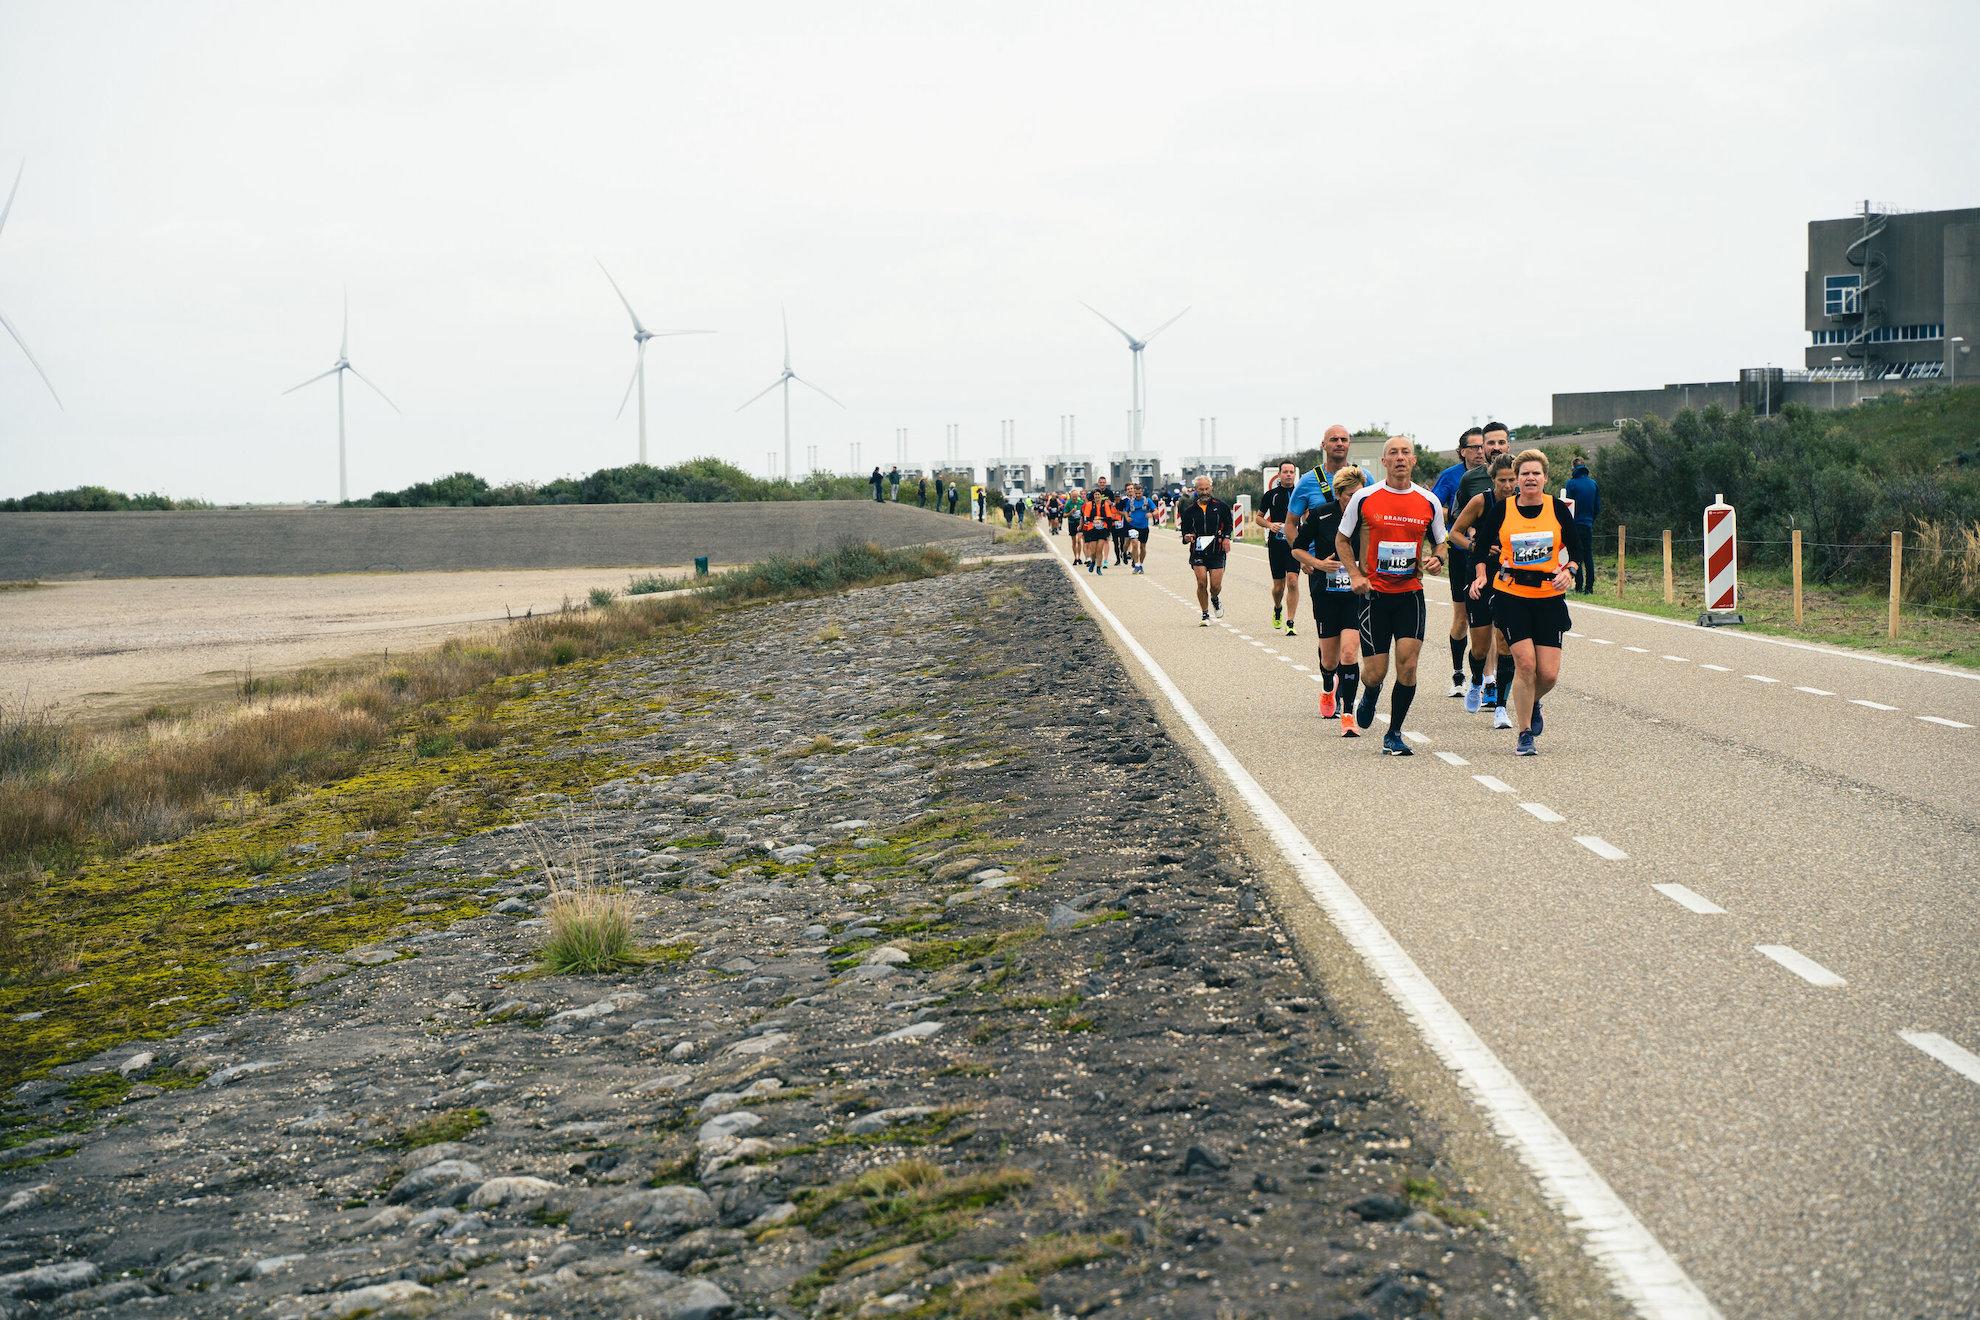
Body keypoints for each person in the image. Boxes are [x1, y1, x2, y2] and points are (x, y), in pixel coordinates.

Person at [1335, 436, 1448, 757]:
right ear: (1384, 462)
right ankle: (1370, 691)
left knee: (1409, 666)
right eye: (1393, 453)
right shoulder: (1365, 498)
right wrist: (1355, 575)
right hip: (1373, 596)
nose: (1400, 458)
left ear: (1414, 461)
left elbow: (1441, 542)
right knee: (1376, 671)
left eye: (1406, 453)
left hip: (1410, 594)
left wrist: (1438, 558)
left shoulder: (1428, 502)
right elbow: (1342, 540)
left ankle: (1394, 733)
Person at [1470, 450, 1577, 756]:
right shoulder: (1503, 511)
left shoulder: (1557, 509)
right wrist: (1480, 576)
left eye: (1536, 473)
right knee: (1526, 664)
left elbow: (1577, 551)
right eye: (1525, 474)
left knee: (1549, 675)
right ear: (1517, 479)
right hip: (1512, 595)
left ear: (1545, 478)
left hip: (1549, 598)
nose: (1530, 478)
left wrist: (1568, 572)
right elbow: (1480, 552)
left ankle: (1532, 700)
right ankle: (1525, 733)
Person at [1290, 463, 1367, 731]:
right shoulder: (1322, 515)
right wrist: (1319, 564)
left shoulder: (1368, 516)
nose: (1354, 500)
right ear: (1339, 495)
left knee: (1349, 653)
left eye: (1359, 494)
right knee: (1329, 660)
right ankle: (1327, 687)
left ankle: (1348, 715)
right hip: (1325, 591)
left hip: (1355, 594)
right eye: (1349, 496)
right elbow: (1297, 550)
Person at [1449, 455, 1521, 728]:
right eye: (1502, 480)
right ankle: (1477, 680)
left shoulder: (1523, 503)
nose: (1507, 485)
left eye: (1511, 479)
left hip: (1511, 579)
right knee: (1480, 646)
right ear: (1492, 480)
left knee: (1504, 642)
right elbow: (1454, 533)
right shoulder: (1481, 501)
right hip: (1480, 575)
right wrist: (1474, 546)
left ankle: (1501, 706)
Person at [1432, 428, 1484, 697]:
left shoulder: (1494, 474)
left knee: (1489, 620)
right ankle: (1457, 673)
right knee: (1461, 616)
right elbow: (1434, 505)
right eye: (1473, 447)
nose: (1479, 451)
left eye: (1481, 446)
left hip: (1488, 555)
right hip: (1460, 552)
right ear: (1462, 450)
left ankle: (1487, 678)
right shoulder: (1451, 476)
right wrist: (1462, 514)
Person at [1179, 474, 1233, 624]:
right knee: (1201, 582)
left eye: (1206, 488)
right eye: (1201, 489)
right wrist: (1187, 537)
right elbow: (1184, 531)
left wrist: (1227, 538)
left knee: (1215, 586)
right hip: (1198, 550)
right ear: (1196, 490)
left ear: (1211, 488)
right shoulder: (1190, 510)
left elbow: (1229, 525)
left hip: (1217, 550)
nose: (1204, 492)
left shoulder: (1221, 506)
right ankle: (1205, 614)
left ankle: (1215, 598)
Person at [1257, 460, 1303, 636]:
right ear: (1279, 474)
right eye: (1285, 472)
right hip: (1276, 543)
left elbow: (1307, 515)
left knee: (1292, 580)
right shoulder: (1271, 495)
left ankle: (1290, 622)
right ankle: (1277, 608)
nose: (1289, 475)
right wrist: (1270, 525)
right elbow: (1259, 518)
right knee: (1278, 587)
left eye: (1292, 472)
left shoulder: (1300, 494)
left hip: (1294, 543)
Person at [1562, 460, 1599, 594]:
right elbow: (1597, 507)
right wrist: (1590, 520)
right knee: (1588, 555)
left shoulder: (1571, 483)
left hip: (1574, 524)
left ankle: (1578, 586)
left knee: (1576, 555)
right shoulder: (1593, 484)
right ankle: (1589, 588)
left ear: (1573, 468)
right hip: (1588, 524)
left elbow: (1567, 506)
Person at [1080, 481, 1119, 574]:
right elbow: (1086, 517)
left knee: (1099, 549)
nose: (1097, 496)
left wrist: (1101, 519)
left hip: (1103, 529)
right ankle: (1093, 562)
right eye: (1095, 495)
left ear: (1100, 496)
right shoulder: (1089, 504)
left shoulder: (1105, 504)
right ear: (1093, 496)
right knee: (1093, 550)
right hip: (1092, 528)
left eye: (1098, 495)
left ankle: (1098, 567)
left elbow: (1109, 517)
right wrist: (1093, 520)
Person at [1120, 482, 1156, 573]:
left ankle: (1141, 564)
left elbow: (1156, 511)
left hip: (1144, 527)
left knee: (1143, 547)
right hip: (1133, 526)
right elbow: (1126, 511)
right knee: (1135, 544)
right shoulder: (1130, 501)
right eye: (1136, 493)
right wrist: (1127, 517)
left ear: (1142, 492)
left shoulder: (1147, 500)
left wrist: (1151, 514)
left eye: (1139, 493)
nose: (1138, 495)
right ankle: (1136, 565)